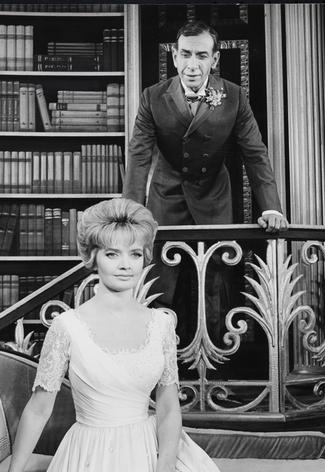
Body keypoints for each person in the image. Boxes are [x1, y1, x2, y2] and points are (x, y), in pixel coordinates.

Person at [0, 198, 268, 472]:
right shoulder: (67, 327)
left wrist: (165, 466)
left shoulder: (161, 324)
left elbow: (168, 407)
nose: (126, 265)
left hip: (153, 448)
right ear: (93, 257)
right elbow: (38, 410)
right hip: (94, 456)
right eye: (112, 254)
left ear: (145, 258)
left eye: (135, 254)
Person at [123, 20, 288, 346]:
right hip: (166, 199)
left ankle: (217, 368)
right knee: (162, 287)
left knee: (214, 286)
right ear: (174, 56)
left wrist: (271, 208)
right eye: (185, 54)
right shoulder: (152, 97)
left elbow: (255, 155)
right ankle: (163, 364)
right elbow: (139, 156)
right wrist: (129, 214)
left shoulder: (234, 96)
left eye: (201, 56)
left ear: (214, 59)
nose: (192, 64)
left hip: (214, 199)